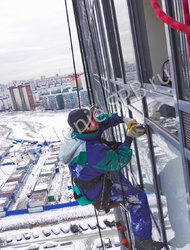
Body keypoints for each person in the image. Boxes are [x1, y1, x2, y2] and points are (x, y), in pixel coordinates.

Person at [59, 108, 164, 250]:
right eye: (91, 121)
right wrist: (129, 137)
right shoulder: (93, 152)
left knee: (116, 149)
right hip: (98, 187)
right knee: (138, 200)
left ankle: (128, 197)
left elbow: (102, 121)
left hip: (95, 175)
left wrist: (122, 119)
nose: (95, 121)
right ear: (84, 127)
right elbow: (120, 161)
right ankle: (142, 242)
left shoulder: (82, 132)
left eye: (92, 118)